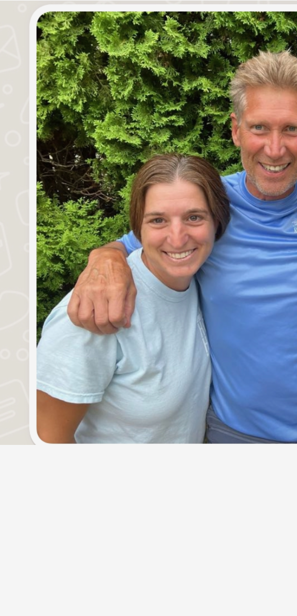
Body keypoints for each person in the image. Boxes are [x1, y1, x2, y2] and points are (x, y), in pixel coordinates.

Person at [65, 52, 297, 444]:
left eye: (290, 129)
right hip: (234, 431)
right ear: (236, 130)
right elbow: (140, 242)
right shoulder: (205, 206)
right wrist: (105, 257)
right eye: (259, 128)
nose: (274, 149)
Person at [36, 155, 229, 443]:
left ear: (217, 222)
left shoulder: (199, 283)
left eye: (194, 217)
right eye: (158, 220)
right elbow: (45, 440)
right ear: (139, 229)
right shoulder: (93, 310)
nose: (177, 238)